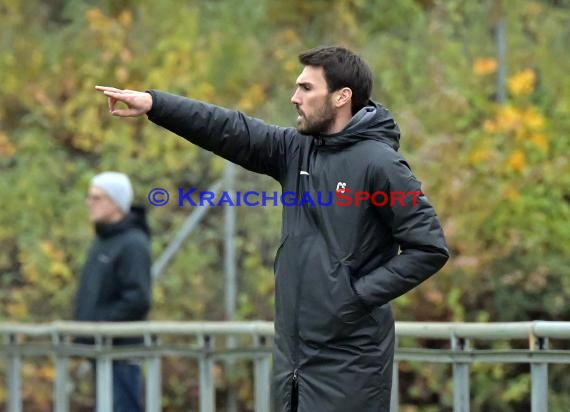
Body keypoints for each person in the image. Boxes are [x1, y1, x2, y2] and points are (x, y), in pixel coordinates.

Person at [95, 46, 449, 412]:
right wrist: (156, 104)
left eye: (307, 88)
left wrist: (353, 297)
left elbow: (429, 248)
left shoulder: (381, 164)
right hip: (292, 368)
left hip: (350, 367)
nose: (294, 98)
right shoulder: (295, 150)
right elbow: (228, 128)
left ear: (342, 97)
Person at [73, 171, 152, 412]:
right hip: (100, 350)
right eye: (89, 197)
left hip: (121, 354)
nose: (90, 203)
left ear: (116, 202)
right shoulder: (103, 241)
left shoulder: (133, 243)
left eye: (97, 198)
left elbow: (138, 298)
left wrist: (100, 324)